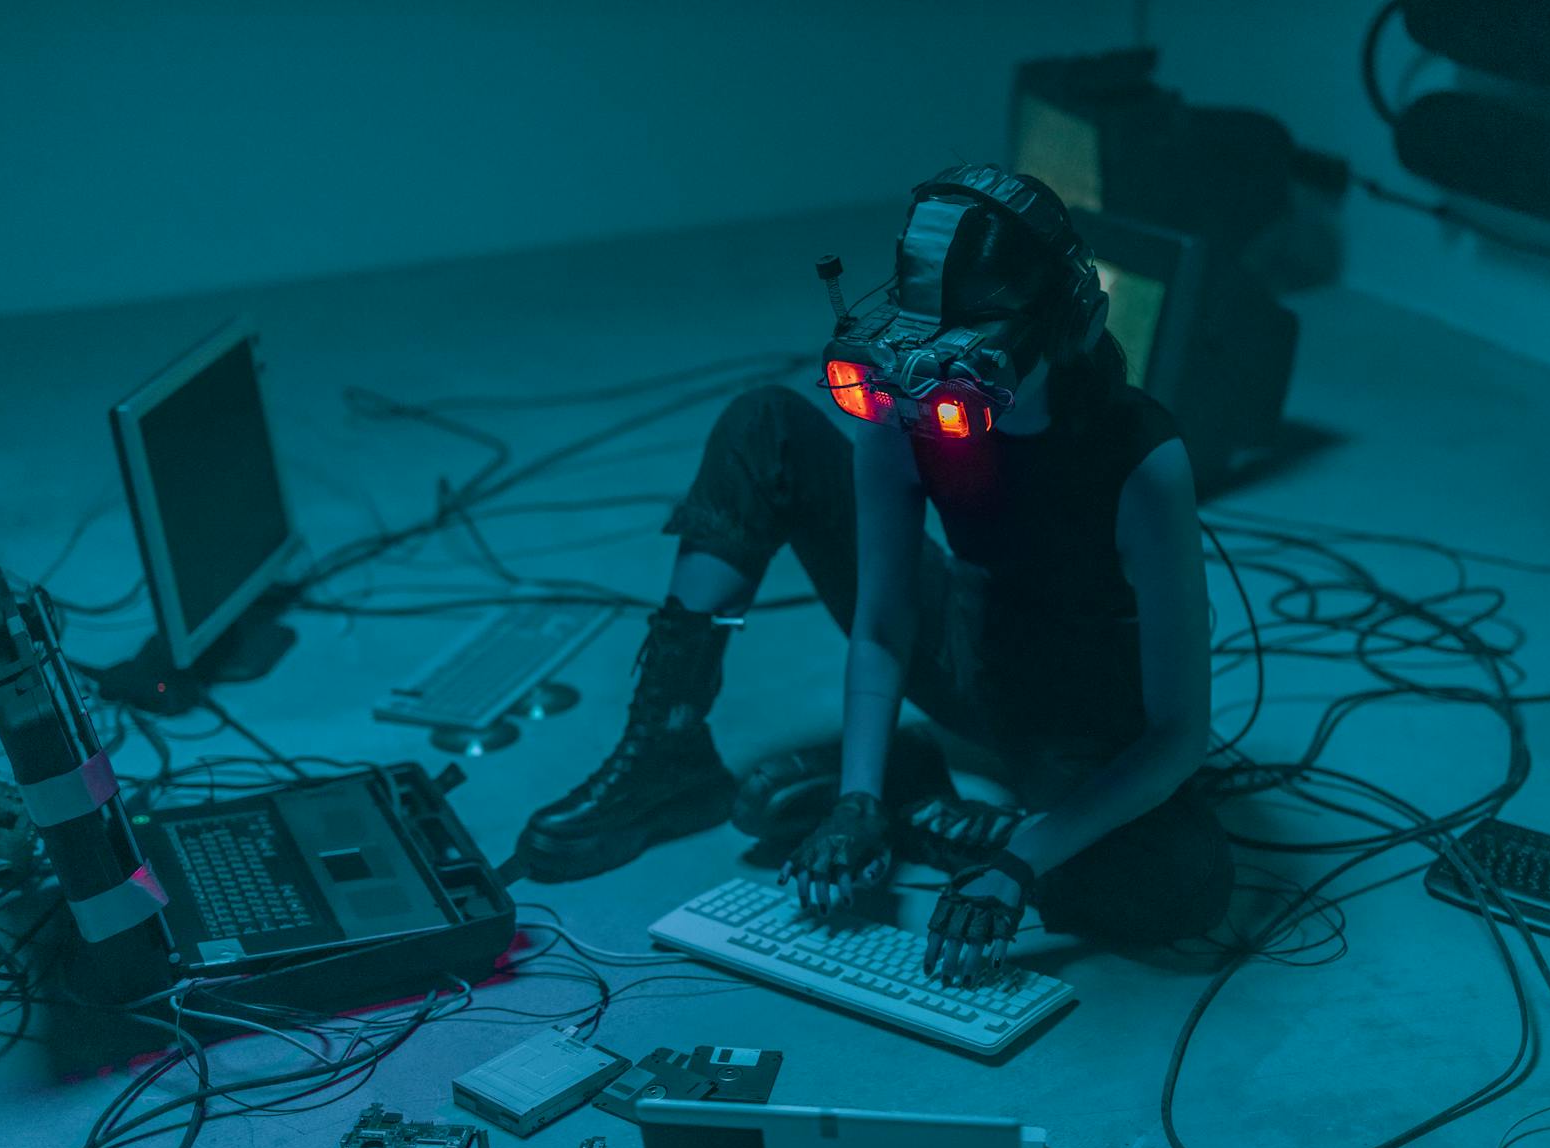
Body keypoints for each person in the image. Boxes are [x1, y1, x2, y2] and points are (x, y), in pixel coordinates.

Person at [516, 165, 1232, 986]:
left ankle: (939, 811)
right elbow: (885, 624)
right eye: (923, 332)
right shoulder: (907, 392)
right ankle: (669, 749)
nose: (931, 381)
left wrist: (1019, 864)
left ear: (1066, 322)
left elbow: (1177, 735)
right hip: (969, 646)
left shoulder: (1141, 462)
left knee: (1185, 890)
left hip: (1082, 725)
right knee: (767, 424)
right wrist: (853, 797)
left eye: (973, 338)